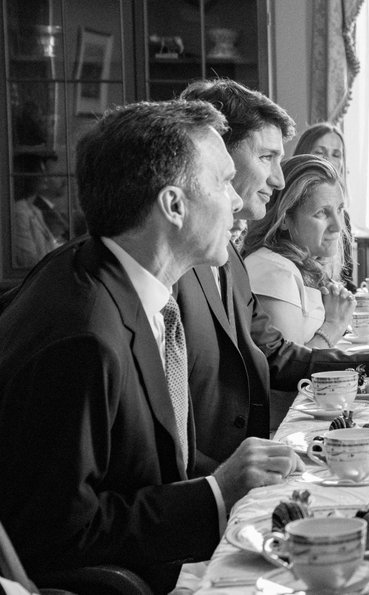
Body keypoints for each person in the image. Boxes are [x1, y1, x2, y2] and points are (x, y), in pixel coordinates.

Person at [0, 101, 302, 590]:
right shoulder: (84, 338)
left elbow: (147, 462)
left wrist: (232, 478)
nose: (237, 202)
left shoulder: (131, 284)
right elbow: (56, 534)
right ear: (174, 206)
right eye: (224, 182)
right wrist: (215, 492)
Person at [176, 79, 369, 471]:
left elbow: (278, 356)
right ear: (215, 154)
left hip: (245, 460)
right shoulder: (179, 266)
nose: (278, 180)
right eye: (266, 157)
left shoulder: (229, 256)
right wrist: (217, 483)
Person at [243, 155, 355, 348]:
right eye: (322, 213)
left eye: (339, 209)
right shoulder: (272, 270)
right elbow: (290, 364)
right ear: (284, 219)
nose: (338, 226)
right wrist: (334, 325)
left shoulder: (304, 264)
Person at [293, 122, 358, 288]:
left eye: (336, 154)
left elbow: (346, 280)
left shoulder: (343, 219)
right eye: (320, 152)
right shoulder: (289, 210)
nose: (328, 159)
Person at [9, 150, 61, 268]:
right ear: (29, 176)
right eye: (41, 173)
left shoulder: (35, 210)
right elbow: (28, 260)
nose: (45, 178)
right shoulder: (19, 213)